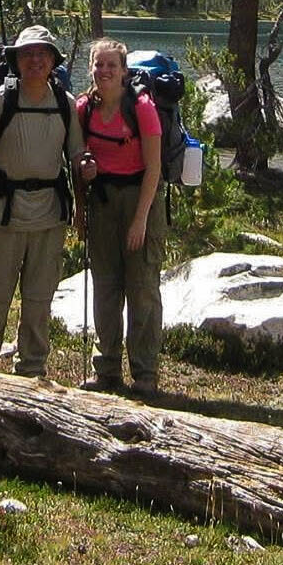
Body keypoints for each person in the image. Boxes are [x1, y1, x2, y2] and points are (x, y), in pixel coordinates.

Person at [0, 25, 84, 378]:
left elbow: (77, 155)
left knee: (39, 303)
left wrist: (88, 168)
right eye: (28, 54)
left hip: (50, 218)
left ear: (53, 60)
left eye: (42, 53)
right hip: (3, 217)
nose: (35, 60)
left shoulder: (65, 104)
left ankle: (32, 374)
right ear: (17, 60)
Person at [73, 38, 164, 397]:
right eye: (99, 64)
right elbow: (76, 163)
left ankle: (145, 373)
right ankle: (106, 369)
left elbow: (154, 169)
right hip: (102, 203)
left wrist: (141, 220)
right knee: (105, 288)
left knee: (142, 288)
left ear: (124, 71)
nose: (104, 71)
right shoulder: (83, 109)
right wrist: (81, 208)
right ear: (91, 68)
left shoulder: (141, 107)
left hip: (141, 199)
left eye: (112, 65)